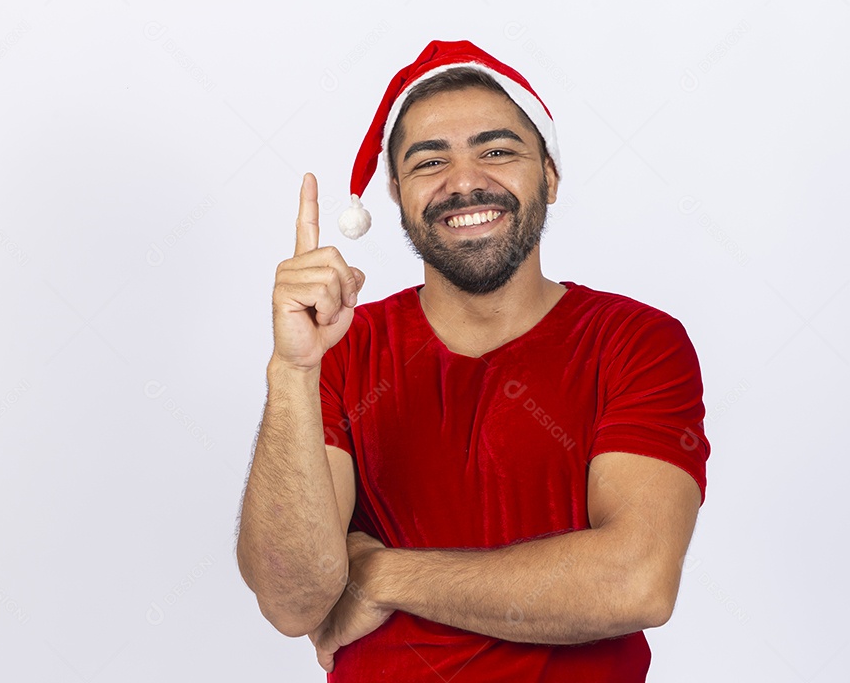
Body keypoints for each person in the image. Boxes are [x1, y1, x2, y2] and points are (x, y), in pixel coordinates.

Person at [236, 40, 711, 682]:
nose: (463, 182)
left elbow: (635, 582)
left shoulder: (636, 343)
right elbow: (294, 602)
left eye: (497, 151)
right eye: (430, 161)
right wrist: (292, 372)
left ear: (549, 176)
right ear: (396, 191)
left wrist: (381, 573)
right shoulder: (341, 348)